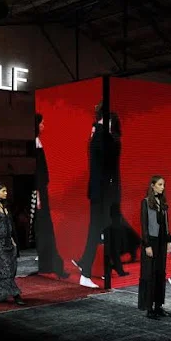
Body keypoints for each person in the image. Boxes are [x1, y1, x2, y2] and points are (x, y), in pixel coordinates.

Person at [72, 104, 109, 289]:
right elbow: (104, 166)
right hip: (100, 191)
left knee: (96, 230)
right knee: (96, 230)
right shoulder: (101, 135)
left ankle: (84, 264)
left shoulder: (96, 133)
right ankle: (85, 272)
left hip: (97, 190)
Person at [29, 113, 69, 279]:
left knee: (44, 229)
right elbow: (36, 173)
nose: (43, 126)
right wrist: (38, 196)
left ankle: (48, 265)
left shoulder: (37, 142)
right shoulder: (33, 144)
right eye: (42, 123)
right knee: (44, 228)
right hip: (38, 192)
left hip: (41, 191)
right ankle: (52, 265)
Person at [104, 112, 141, 276]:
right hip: (111, 187)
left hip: (111, 188)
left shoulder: (112, 140)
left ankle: (117, 260)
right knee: (113, 224)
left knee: (113, 225)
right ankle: (118, 259)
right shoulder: (112, 139)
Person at [138, 176, 171, 319]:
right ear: (152, 185)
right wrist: (147, 244)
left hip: (162, 242)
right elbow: (144, 225)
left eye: (163, 185)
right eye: (160, 184)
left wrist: (168, 241)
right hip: (151, 242)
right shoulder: (146, 202)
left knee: (160, 273)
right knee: (150, 274)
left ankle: (159, 306)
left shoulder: (162, 202)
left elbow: (166, 223)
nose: (162, 187)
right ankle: (149, 308)